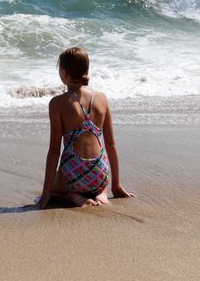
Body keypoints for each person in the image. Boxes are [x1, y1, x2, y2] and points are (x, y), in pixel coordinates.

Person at [38, 47, 134, 209]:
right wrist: (116, 185)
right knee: (96, 178)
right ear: (87, 70)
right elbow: (111, 145)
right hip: (99, 174)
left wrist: (46, 193)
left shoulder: (57, 103)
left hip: (73, 175)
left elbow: (54, 151)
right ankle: (101, 193)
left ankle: (73, 196)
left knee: (53, 190)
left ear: (63, 73)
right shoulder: (101, 98)